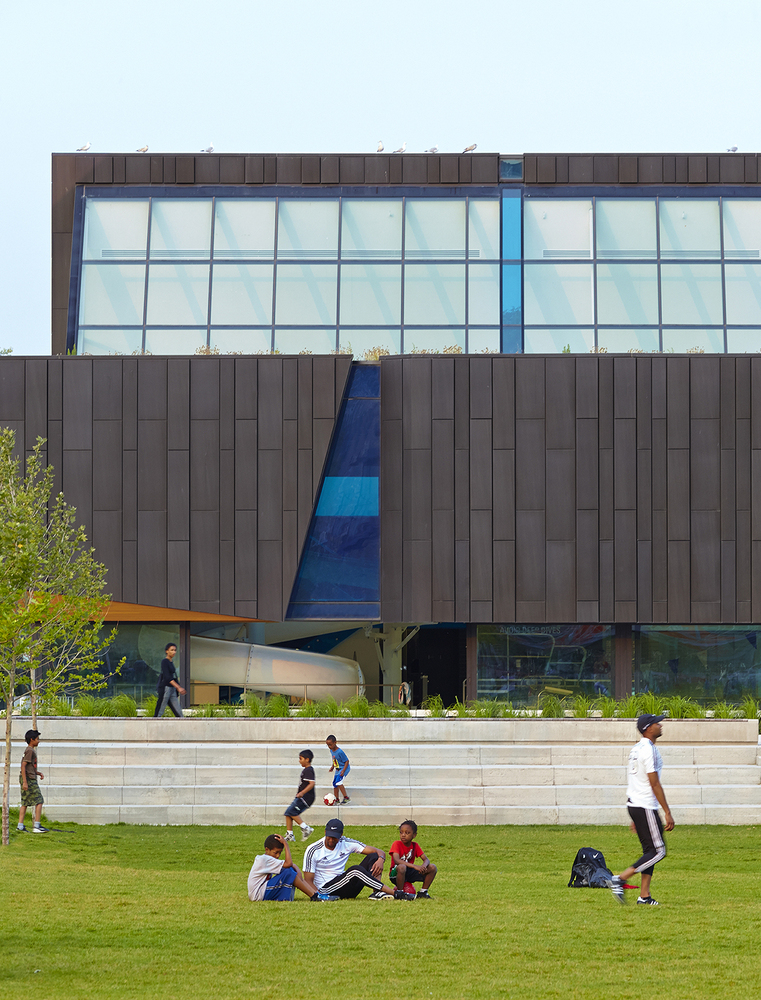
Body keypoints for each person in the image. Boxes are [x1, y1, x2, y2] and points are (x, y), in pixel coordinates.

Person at [610, 714, 675, 906]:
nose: (660, 725)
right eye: (657, 723)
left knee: (649, 850)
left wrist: (635, 816)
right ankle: (620, 879)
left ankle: (644, 896)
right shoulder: (648, 750)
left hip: (637, 805)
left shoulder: (636, 749)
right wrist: (667, 812)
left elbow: (635, 779)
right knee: (658, 851)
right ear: (648, 728)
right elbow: (654, 783)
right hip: (645, 805)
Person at [303, 818, 415, 900]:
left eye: (335, 837)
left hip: (345, 887)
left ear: (341, 835)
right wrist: (319, 896)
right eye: (329, 836)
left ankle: (377, 892)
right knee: (355, 870)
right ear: (325, 833)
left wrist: (381, 859)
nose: (331, 840)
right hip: (325, 889)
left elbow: (378, 851)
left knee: (373, 856)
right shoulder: (313, 849)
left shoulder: (346, 842)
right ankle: (397, 894)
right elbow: (307, 880)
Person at [247, 833, 339, 902]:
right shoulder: (264, 859)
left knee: (289, 871)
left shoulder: (267, 859)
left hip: (261, 892)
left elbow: (289, 866)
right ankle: (315, 896)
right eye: (276, 852)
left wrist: (295, 869)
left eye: (280, 853)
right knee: (288, 872)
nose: (278, 855)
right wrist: (286, 844)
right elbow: (288, 863)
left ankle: (317, 894)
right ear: (267, 850)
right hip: (257, 894)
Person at [389, 819, 437, 899]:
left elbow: (426, 859)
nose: (403, 835)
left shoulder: (415, 845)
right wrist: (415, 866)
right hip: (396, 873)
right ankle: (400, 893)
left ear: (414, 835)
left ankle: (423, 892)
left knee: (432, 867)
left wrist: (423, 866)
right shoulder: (397, 844)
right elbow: (397, 860)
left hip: (409, 872)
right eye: (401, 832)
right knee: (402, 867)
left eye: (407, 833)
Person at [18, 729, 47, 833]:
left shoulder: (29, 750)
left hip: (29, 777)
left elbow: (29, 766)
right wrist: (25, 782)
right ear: (32, 739)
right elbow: (23, 765)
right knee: (39, 800)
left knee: (25, 802)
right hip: (28, 779)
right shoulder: (30, 750)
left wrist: (38, 773)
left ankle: (20, 825)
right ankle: (37, 826)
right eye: (37, 739)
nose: (39, 741)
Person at [284, 750, 315, 842]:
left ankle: (306, 828)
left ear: (307, 759)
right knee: (288, 813)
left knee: (292, 812)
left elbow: (311, 784)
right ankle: (290, 835)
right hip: (302, 797)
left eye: (300, 758)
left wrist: (302, 793)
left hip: (306, 798)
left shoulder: (308, 770)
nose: (299, 760)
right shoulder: (306, 770)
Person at [154, 642, 185, 718]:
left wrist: (176, 689)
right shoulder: (164, 662)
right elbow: (167, 677)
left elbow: (173, 676)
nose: (174, 652)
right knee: (160, 710)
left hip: (172, 689)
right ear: (166, 651)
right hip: (166, 689)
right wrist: (179, 687)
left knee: (178, 712)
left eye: (175, 650)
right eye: (172, 650)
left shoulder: (171, 662)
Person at [325, 735, 350, 804]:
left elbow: (347, 761)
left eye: (330, 744)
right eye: (328, 745)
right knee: (334, 784)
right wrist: (333, 766)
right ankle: (336, 799)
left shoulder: (340, 752)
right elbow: (334, 759)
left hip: (344, 768)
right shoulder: (331, 750)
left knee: (339, 782)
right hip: (338, 769)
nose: (329, 746)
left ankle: (346, 798)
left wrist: (343, 771)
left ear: (335, 742)